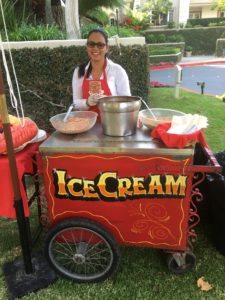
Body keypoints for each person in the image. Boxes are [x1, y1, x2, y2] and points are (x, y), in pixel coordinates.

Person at [72, 28, 131, 116]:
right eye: (91, 44)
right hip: (88, 124)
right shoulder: (79, 71)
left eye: (100, 45)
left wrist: (109, 101)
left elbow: (127, 101)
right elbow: (75, 103)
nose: (95, 48)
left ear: (107, 48)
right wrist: (87, 102)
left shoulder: (117, 70)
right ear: (87, 47)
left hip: (113, 123)